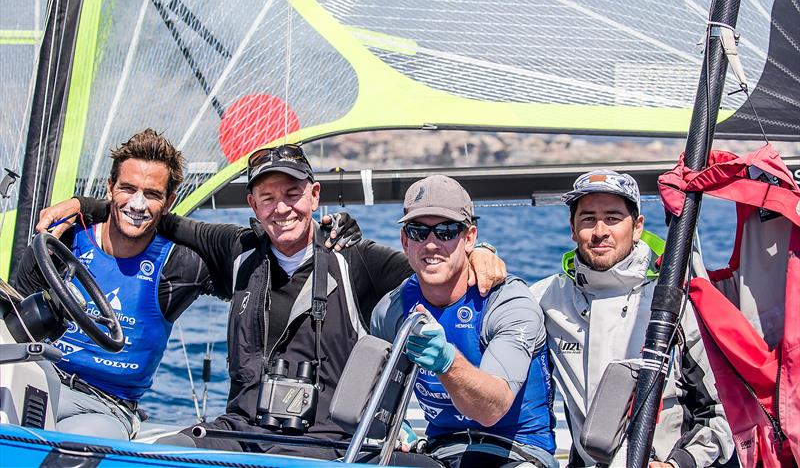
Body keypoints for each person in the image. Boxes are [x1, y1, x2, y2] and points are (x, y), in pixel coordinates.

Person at [53, 143, 506, 459]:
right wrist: (84, 206)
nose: (281, 208)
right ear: (252, 203)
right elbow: (159, 219)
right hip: (243, 434)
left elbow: (434, 264)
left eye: (292, 194)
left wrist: (479, 253)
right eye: (267, 197)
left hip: (331, 445)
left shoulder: (358, 261)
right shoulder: (236, 250)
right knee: (150, 459)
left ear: (314, 195)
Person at [12, 129, 222, 440]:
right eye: (127, 188)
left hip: (104, 407)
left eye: (151, 194)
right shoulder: (64, 238)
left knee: (69, 453)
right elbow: (14, 315)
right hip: (37, 380)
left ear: (169, 201)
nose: (137, 204)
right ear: (110, 187)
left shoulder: (180, 264)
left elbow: (250, 268)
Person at [529, 170, 735, 468]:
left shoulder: (675, 300)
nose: (600, 231)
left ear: (637, 227)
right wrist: (484, 253)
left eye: (613, 218)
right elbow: (493, 303)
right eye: (588, 219)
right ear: (573, 229)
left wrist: (680, 464)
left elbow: (720, 410)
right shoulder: (546, 298)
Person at [371, 175, 557, 468]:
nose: (431, 244)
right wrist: (394, 427)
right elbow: (379, 398)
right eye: (419, 232)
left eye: (446, 231)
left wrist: (447, 362)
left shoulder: (508, 303)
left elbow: (491, 408)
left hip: (516, 451)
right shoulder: (390, 312)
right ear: (405, 241)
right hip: (441, 450)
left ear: (469, 238)